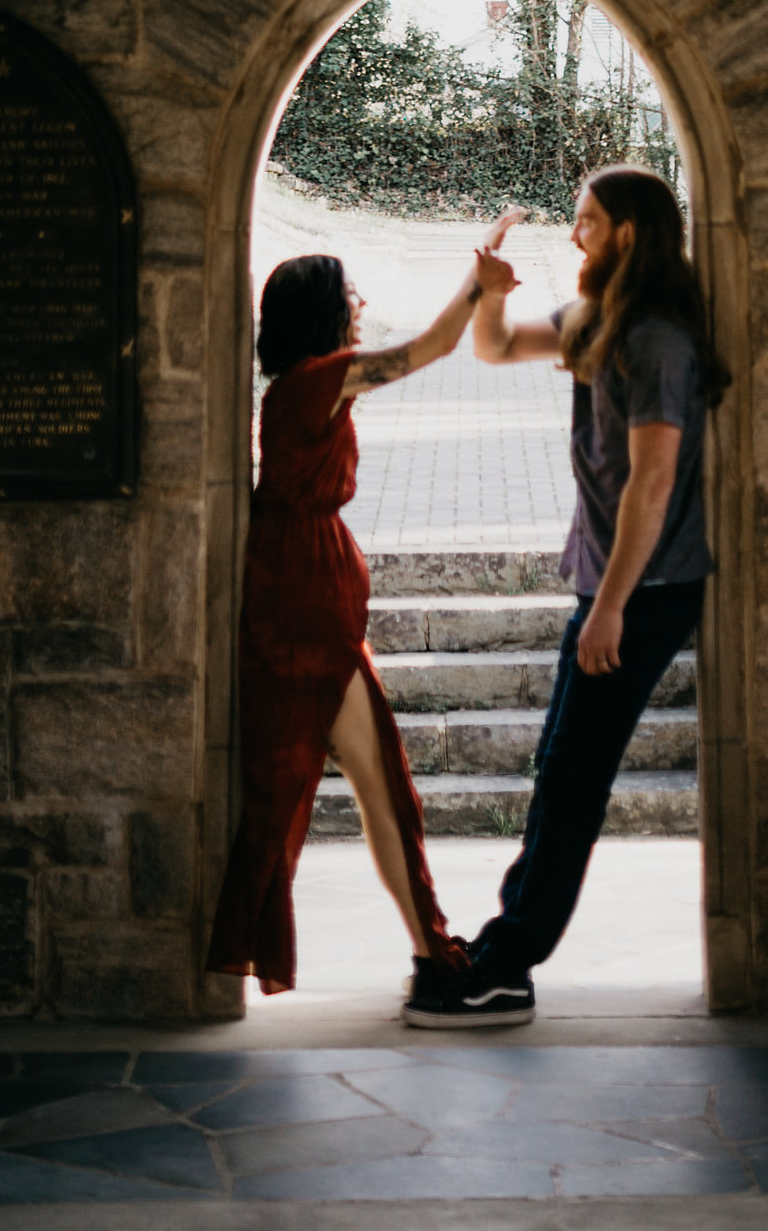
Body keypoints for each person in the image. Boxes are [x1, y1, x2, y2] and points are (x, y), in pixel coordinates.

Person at [404, 161, 728, 1025]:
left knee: (574, 777)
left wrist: (613, 605)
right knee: (559, 769)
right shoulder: (600, 320)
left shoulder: (657, 339)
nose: (575, 232)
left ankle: (509, 966)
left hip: (646, 590)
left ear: (627, 232)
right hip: (610, 584)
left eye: (587, 220)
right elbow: (496, 347)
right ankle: (503, 949)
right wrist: (488, 290)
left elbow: (653, 483)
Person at [207, 215, 523, 999]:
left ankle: (428, 949)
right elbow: (431, 349)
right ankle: (434, 959)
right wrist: (477, 283)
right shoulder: (318, 380)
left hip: (304, 599)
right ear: (321, 311)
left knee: (357, 784)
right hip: (306, 611)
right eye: (349, 293)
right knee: (378, 786)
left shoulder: (296, 389)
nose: (360, 303)